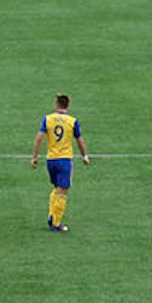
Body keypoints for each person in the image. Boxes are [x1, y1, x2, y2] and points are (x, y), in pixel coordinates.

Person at [29, 93, 88, 231]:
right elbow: (79, 139)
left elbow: (39, 138)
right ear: (68, 105)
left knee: (57, 188)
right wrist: (84, 155)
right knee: (63, 191)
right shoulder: (72, 121)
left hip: (51, 160)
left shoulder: (48, 119)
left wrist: (35, 157)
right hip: (65, 160)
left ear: (56, 104)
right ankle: (56, 223)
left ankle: (51, 215)